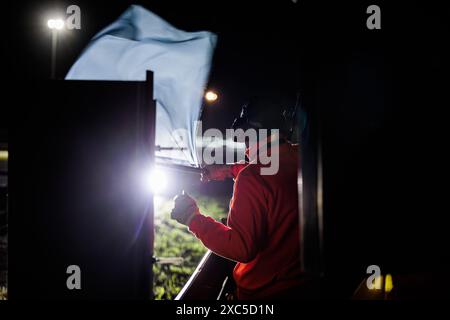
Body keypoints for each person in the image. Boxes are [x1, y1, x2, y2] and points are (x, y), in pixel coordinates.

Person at [171, 95, 305, 299]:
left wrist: (192, 218)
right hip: (302, 287)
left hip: (263, 295)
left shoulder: (251, 178)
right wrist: (227, 170)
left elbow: (241, 247)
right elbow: (271, 167)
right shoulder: (300, 156)